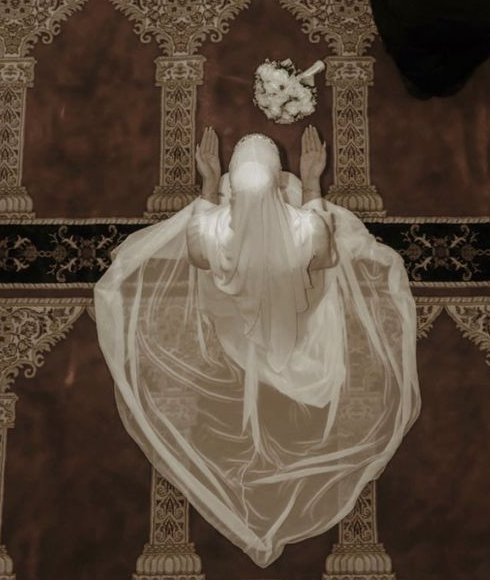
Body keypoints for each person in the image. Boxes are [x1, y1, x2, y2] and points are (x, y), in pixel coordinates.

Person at [94, 126, 419, 568]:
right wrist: (310, 181)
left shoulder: (211, 235)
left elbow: (196, 256)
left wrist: (208, 180)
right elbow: (324, 260)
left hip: (239, 311)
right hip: (288, 302)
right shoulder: (306, 230)